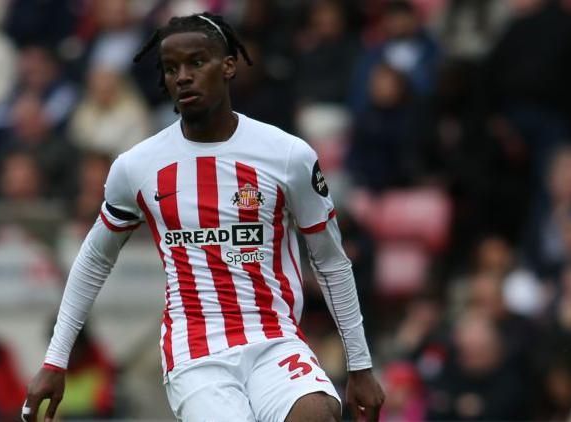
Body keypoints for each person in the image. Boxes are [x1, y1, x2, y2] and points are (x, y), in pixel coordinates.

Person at [24, 12, 384, 422]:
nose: (183, 77)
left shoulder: (287, 155)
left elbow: (331, 260)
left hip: (275, 341)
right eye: (171, 68)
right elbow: (93, 260)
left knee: (318, 414)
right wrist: (55, 360)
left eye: (197, 62)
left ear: (229, 65)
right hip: (197, 355)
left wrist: (360, 365)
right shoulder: (137, 166)